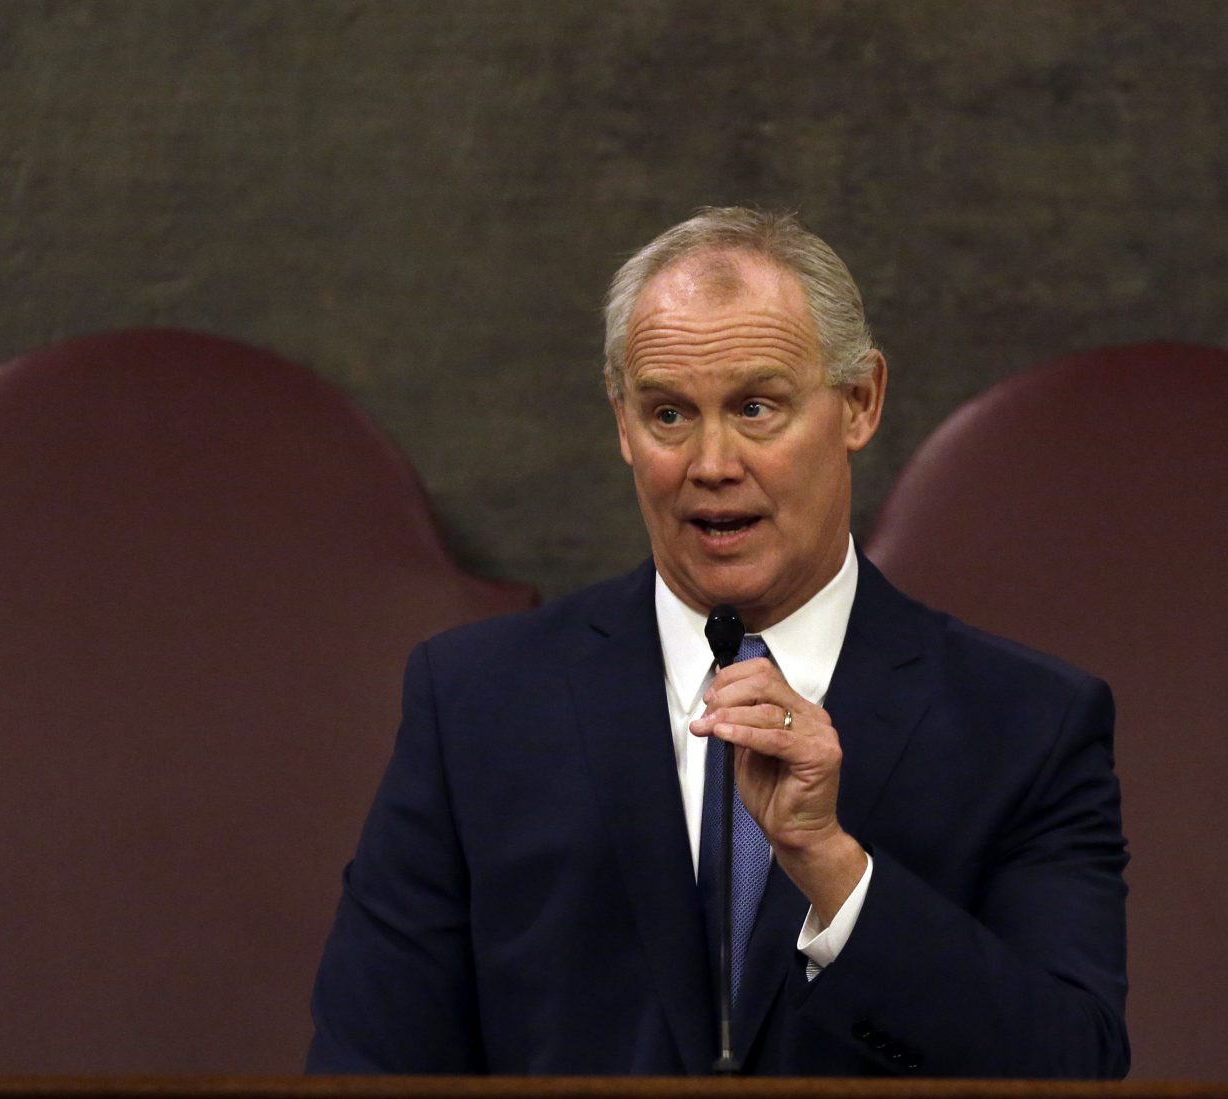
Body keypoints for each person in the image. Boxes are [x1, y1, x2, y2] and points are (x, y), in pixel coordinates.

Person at [306, 207, 1128, 1076]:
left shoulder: (1027, 724)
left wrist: (838, 874)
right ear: (622, 423)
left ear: (860, 402)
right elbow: (369, 1067)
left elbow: (1070, 1070)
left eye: (756, 406)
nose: (711, 462)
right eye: (668, 413)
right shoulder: (476, 703)